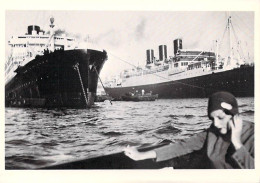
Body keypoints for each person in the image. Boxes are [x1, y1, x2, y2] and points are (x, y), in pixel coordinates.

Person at [123, 91, 254, 169]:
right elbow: (182, 146)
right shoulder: (213, 132)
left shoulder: (253, 134)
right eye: (212, 119)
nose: (216, 124)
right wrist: (140, 155)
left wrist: (237, 143)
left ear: (235, 115)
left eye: (220, 117)